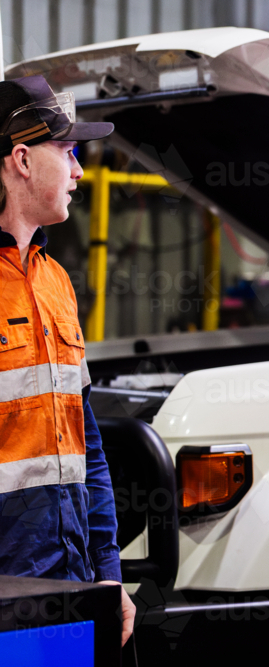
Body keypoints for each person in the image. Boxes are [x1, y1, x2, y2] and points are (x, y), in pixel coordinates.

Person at [0, 75, 135, 645]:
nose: (80, 172)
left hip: (71, 586)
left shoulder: (55, 281)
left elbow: (88, 448)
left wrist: (108, 573)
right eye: (70, 151)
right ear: (23, 159)